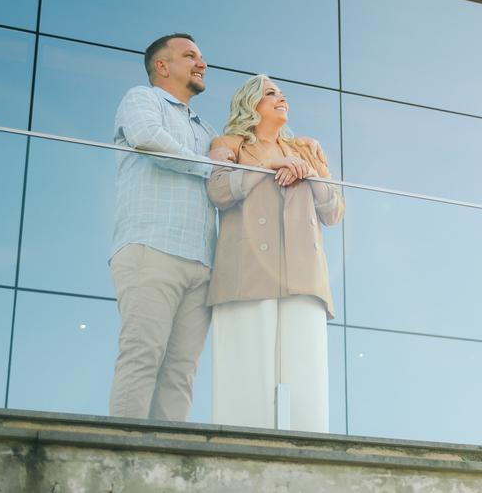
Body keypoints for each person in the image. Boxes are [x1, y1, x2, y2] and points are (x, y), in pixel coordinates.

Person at [109, 34, 327, 422]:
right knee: (142, 355)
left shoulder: (206, 129)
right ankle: (123, 449)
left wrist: (296, 143)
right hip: (152, 246)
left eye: (202, 56)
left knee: (181, 372)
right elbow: (147, 138)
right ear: (162, 66)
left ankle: (167, 452)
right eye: (190, 56)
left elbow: (235, 169)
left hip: (201, 262)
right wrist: (209, 161)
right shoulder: (142, 99)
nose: (202, 63)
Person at [205, 74, 344, 432]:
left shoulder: (305, 150)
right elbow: (219, 193)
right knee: (245, 373)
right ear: (251, 104)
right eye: (271, 94)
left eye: (282, 94)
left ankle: (307, 457)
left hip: (304, 275)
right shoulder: (229, 144)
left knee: (306, 378)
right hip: (247, 271)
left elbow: (335, 213)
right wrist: (265, 167)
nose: (282, 99)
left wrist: (310, 174)